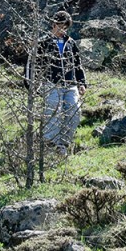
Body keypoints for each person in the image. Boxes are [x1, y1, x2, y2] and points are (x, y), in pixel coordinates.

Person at [30, 11, 86, 156]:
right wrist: (32, 84)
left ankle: (63, 144)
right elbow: (33, 64)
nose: (63, 30)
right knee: (52, 113)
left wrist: (81, 83)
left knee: (75, 112)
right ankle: (50, 145)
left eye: (65, 27)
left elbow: (77, 64)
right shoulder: (43, 42)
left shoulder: (71, 42)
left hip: (70, 84)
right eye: (60, 26)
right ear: (53, 25)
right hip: (50, 84)